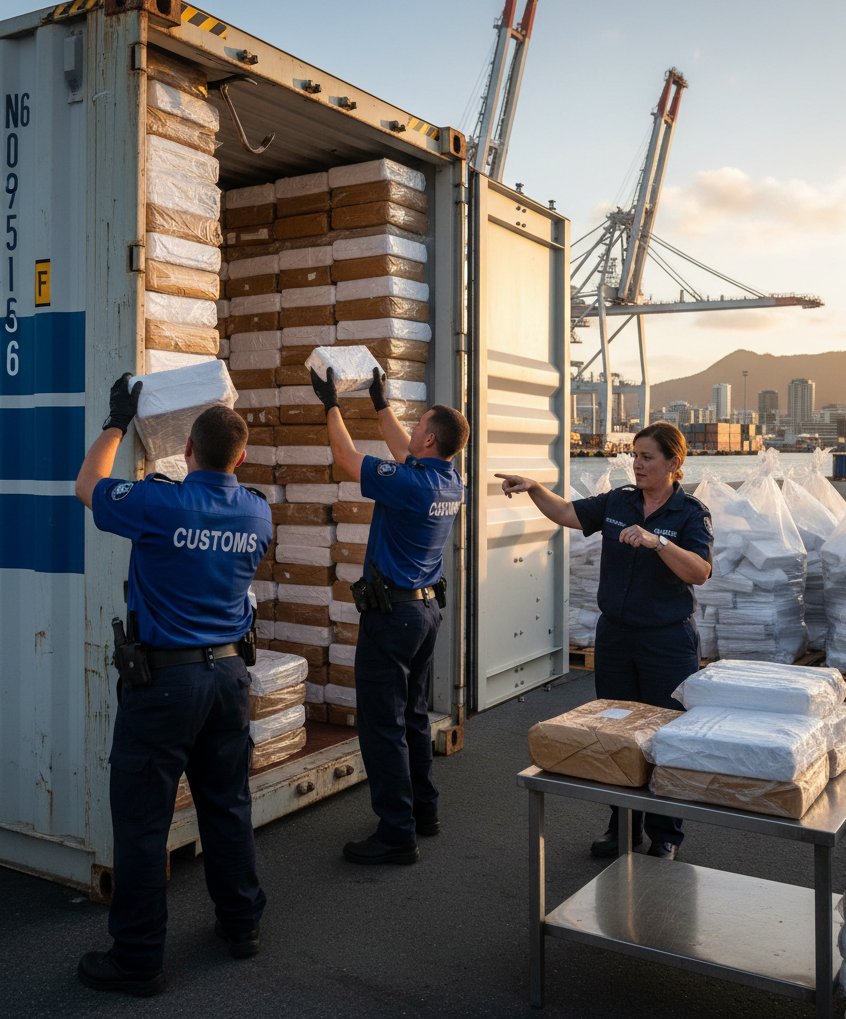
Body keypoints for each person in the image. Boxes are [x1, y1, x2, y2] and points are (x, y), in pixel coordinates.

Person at [75, 375, 273, 997]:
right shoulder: (258, 510)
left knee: (141, 823)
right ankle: (241, 925)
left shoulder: (160, 504)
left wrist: (115, 421)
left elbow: (88, 487)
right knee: (227, 806)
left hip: (165, 684)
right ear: (241, 457)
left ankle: (137, 958)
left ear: (186, 448)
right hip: (229, 681)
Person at [498, 422, 712, 860]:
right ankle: (623, 825)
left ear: (674, 463)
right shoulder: (618, 501)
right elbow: (566, 513)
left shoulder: (690, 513)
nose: (637, 464)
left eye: (647, 457)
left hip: (667, 641)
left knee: (664, 736)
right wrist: (535, 487)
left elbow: (700, 572)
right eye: (634, 455)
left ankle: (665, 835)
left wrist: (657, 544)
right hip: (615, 637)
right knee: (616, 733)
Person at [310, 366, 468, 865]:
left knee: (382, 726)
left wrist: (331, 403)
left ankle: (396, 833)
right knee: (415, 717)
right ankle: (424, 811)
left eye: (418, 424)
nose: (413, 428)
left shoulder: (411, 484)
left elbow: (344, 459)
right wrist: (380, 404)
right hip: (424, 615)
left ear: (430, 438)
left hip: (393, 618)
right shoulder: (447, 479)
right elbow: (405, 452)